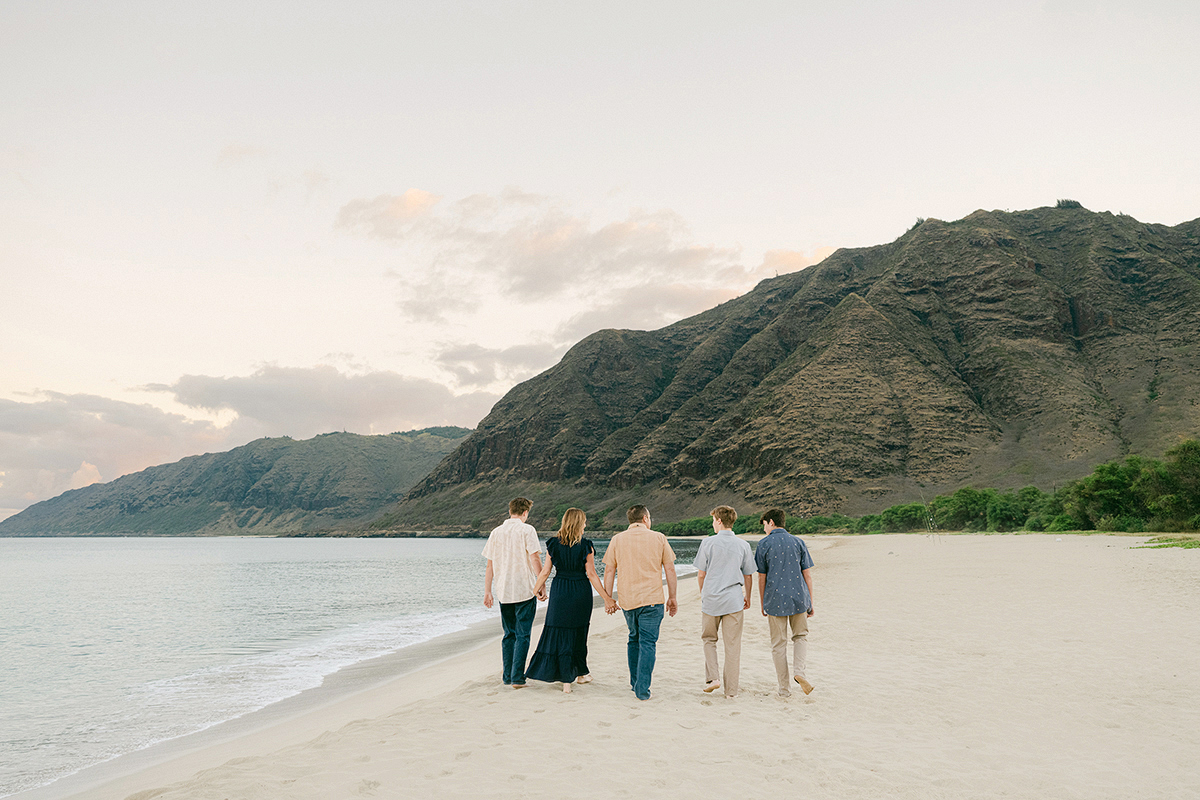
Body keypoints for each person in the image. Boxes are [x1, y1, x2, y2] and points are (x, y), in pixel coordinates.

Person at [526, 508, 617, 692]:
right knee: (578, 633)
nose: (585, 525)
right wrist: (607, 598)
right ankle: (577, 675)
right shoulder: (586, 546)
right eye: (583, 522)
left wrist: (536, 590)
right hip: (580, 592)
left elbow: (545, 572)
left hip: (560, 590)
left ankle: (571, 677)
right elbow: (591, 574)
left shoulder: (553, 544)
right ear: (578, 523)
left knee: (558, 631)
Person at [603, 505, 677, 701]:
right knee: (648, 643)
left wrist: (608, 598)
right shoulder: (659, 538)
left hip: (628, 600)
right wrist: (673, 597)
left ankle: (635, 682)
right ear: (645, 518)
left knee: (633, 638)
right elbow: (670, 569)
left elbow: (609, 571)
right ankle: (642, 689)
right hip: (652, 600)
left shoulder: (617, 539)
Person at [693, 505, 755, 698]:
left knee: (709, 639)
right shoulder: (743, 545)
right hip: (734, 600)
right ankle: (731, 692)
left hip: (711, 599)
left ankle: (713, 678)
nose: (712, 523)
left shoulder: (707, 543)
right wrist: (748, 597)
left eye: (713, 520)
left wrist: (704, 593)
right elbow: (748, 575)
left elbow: (701, 574)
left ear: (719, 521)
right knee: (733, 645)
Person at [482, 497, 545, 689]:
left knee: (508, 634)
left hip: (503, 591)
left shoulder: (496, 532)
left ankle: (507, 676)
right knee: (523, 634)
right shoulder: (528, 530)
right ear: (525, 512)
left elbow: (490, 565)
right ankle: (518, 678)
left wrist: (487, 591)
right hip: (524, 589)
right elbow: (534, 558)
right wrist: (541, 582)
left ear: (510, 511)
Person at [755, 508, 815, 696]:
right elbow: (808, 575)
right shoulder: (798, 542)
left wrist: (763, 601)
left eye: (764, 525)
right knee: (800, 637)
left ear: (771, 522)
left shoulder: (764, 544)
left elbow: (761, 577)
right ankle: (799, 672)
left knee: (778, 644)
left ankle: (784, 689)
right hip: (799, 597)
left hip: (775, 599)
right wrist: (810, 602)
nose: (764, 529)